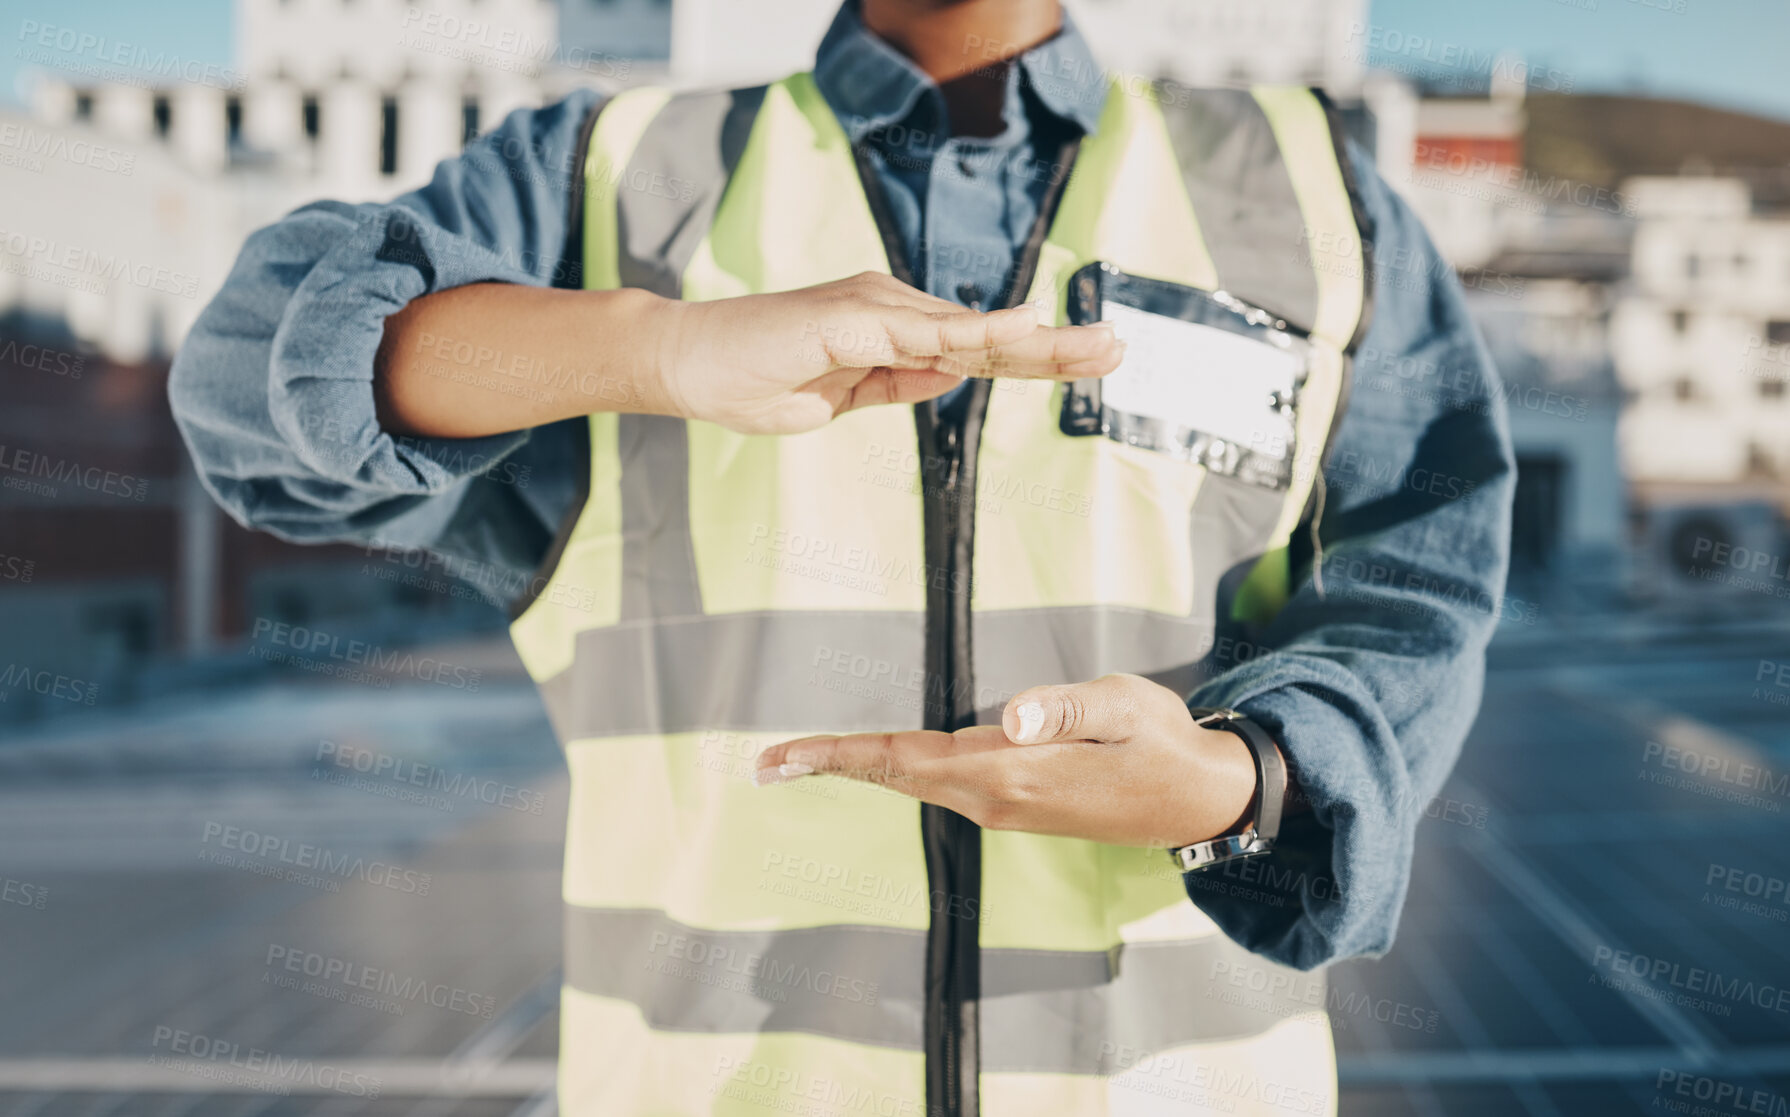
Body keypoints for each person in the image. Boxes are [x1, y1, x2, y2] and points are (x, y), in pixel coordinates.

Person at [170, 0, 1514, 1112]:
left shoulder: (1305, 190)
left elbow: (1416, 580)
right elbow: (241, 385)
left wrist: (1243, 777)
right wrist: (657, 349)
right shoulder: (602, 176)